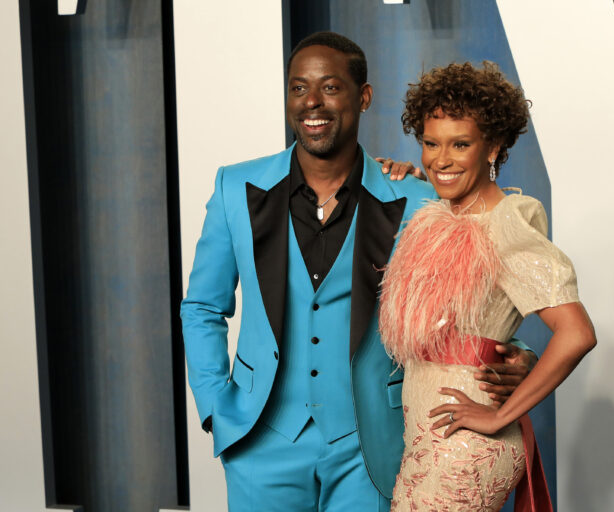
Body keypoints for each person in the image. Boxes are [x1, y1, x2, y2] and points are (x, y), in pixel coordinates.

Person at [180, 32, 536, 511]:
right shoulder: (234, 187)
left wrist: (515, 355)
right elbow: (202, 306)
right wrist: (215, 410)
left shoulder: (415, 202)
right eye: (298, 88)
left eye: (330, 87)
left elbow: (471, 310)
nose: (312, 103)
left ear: (363, 97)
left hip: (371, 444)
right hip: (259, 442)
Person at [379, 61, 597, 511]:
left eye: (461, 144)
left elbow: (577, 333)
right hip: (428, 434)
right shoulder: (442, 218)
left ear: (493, 146)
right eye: (430, 143)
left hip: (467, 443)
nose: (441, 159)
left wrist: (500, 414)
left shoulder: (505, 228)